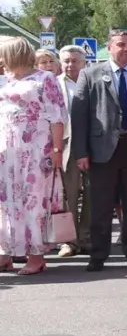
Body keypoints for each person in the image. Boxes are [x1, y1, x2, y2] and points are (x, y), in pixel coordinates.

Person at [70, 29, 127, 273]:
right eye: (120, 45)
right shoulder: (90, 74)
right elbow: (79, 116)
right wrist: (81, 152)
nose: (126, 49)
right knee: (101, 205)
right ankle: (98, 254)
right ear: (109, 47)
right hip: (102, 150)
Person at [0, 37, 66, 276]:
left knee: (33, 201)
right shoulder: (7, 80)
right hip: (8, 151)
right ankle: (6, 252)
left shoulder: (44, 78)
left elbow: (57, 116)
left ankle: (36, 256)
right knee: (7, 203)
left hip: (36, 150)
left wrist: (57, 150)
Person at [56, 45, 91, 258]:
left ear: (83, 63)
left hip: (91, 145)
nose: (70, 65)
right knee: (67, 195)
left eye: (75, 61)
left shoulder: (92, 81)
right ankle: (69, 241)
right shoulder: (53, 84)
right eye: (66, 61)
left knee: (92, 193)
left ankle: (86, 237)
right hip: (66, 144)